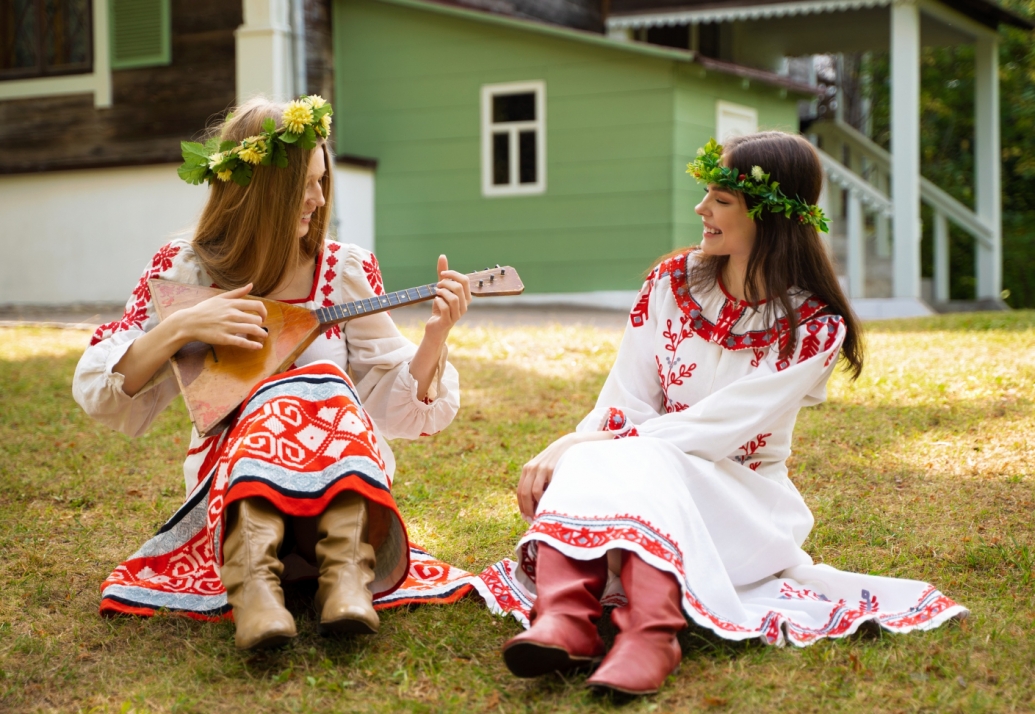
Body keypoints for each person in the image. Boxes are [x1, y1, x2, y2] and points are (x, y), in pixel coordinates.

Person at [498, 132, 966, 695]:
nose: (701, 209)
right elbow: (624, 400)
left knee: (618, 455)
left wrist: (580, 446)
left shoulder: (814, 328)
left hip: (741, 501)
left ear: (767, 216)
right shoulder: (669, 283)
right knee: (614, 452)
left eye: (720, 199)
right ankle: (566, 622)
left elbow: (716, 428)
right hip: (643, 474)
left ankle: (650, 635)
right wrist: (586, 442)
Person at [73, 96, 472, 650]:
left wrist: (433, 339)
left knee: (324, 388)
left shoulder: (344, 270)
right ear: (259, 191)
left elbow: (389, 407)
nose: (318, 198)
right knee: (284, 392)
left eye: (322, 181)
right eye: (303, 185)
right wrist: (180, 327)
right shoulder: (184, 268)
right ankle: (255, 588)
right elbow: (103, 391)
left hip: (340, 492)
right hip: (237, 497)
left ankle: (346, 579)